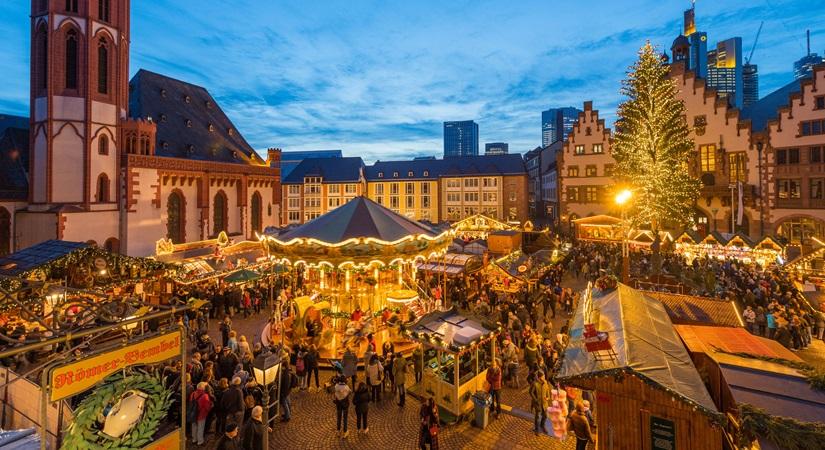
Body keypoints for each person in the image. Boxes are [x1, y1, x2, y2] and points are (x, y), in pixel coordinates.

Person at [529, 370, 550, 435]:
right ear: (540, 377)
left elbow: (547, 390)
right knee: (537, 417)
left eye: (544, 375)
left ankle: (542, 425)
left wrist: (548, 397)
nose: (544, 377)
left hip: (544, 403)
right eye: (543, 376)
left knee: (545, 416)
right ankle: (537, 429)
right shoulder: (535, 383)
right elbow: (530, 392)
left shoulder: (545, 382)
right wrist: (535, 400)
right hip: (538, 403)